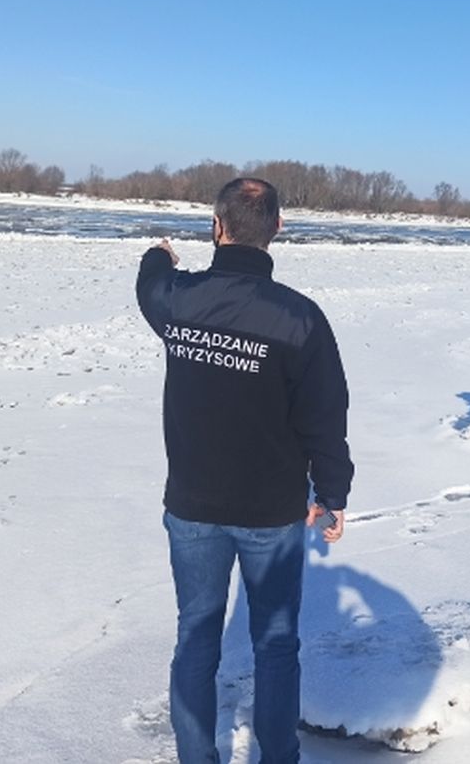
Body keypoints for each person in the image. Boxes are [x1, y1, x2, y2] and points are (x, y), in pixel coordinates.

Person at [136, 177, 354, 763]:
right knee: (274, 646)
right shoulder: (300, 319)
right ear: (279, 229)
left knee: (197, 637)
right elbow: (325, 421)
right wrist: (332, 495)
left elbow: (149, 286)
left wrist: (158, 252)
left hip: (197, 508)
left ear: (217, 226)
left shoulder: (179, 299)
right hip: (265, 513)